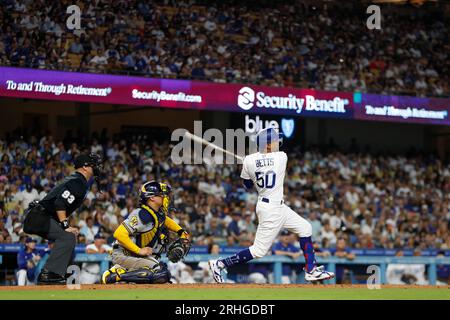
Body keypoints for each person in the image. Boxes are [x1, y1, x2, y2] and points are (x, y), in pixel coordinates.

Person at [209, 128, 334, 283]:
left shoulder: (249, 160)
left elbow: (247, 184)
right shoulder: (282, 157)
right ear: (267, 145)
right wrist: (255, 163)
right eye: (275, 141)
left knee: (305, 228)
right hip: (271, 209)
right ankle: (220, 264)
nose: (278, 142)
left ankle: (311, 270)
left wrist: (250, 165)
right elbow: (267, 163)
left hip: (277, 206)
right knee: (258, 251)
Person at [23, 153, 103, 285]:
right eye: (93, 164)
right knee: (67, 236)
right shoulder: (78, 181)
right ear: (85, 167)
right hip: (39, 217)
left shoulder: (77, 180)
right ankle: (48, 274)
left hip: (42, 216)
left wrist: (66, 226)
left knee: (70, 236)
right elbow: (60, 203)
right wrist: (65, 226)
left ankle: (65, 274)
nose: (97, 167)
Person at [101, 181, 191, 284]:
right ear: (152, 198)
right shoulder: (142, 214)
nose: (165, 197)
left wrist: (181, 231)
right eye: (162, 195)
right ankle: (116, 275)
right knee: (160, 273)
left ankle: (127, 276)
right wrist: (139, 251)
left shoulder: (155, 214)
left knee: (162, 275)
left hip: (132, 256)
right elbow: (119, 233)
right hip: (123, 255)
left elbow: (166, 220)